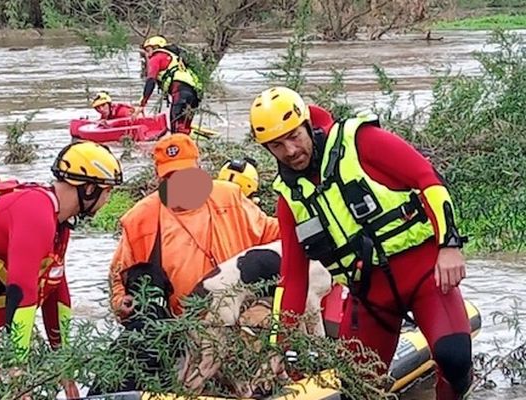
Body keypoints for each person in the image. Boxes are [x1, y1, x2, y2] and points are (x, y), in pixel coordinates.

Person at [249, 86, 472, 400]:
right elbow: (293, 280)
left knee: (454, 357)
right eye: (276, 145)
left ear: (307, 126)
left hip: (425, 275)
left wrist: (449, 245)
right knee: (356, 391)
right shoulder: (290, 199)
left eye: (294, 136)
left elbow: (428, 179)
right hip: (369, 297)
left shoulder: (360, 141)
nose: (290, 151)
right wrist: (278, 346)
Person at [0, 140, 123, 399]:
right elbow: (22, 294)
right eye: (107, 191)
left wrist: (65, 370)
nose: (108, 199)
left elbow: (56, 294)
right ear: (88, 189)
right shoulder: (35, 211)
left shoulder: (58, 224)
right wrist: (18, 371)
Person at [108, 134, 279, 321]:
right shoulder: (140, 219)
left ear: (200, 169)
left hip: (241, 310)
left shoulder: (230, 197)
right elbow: (118, 277)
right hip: (181, 325)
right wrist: (120, 302)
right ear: (158, 178)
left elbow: (275, 235)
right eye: (170, 177)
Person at [132, 35, 202, 135]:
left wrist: (142, 104)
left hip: (180, 93)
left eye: (148, 50)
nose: (147, 54)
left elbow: (150, 81)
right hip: (194, 95)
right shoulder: (175, 58)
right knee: (184, 127)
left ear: (156, 48)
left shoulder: (157, 57)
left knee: (175, 128)